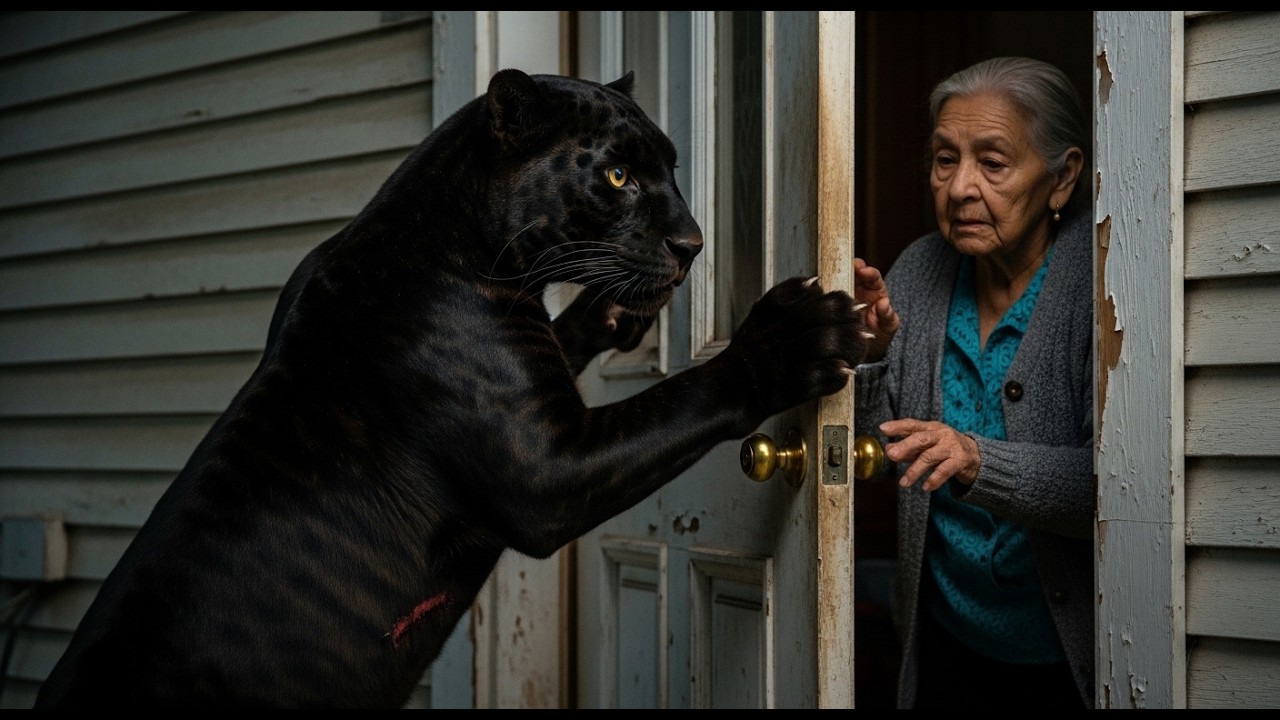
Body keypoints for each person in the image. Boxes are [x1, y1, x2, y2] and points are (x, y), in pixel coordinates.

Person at [852, 56, 1093, 709]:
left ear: (1063, 178)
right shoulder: (917, 272)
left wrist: (977, 460)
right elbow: (877, 463)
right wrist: (872, 359)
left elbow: (1114, 488)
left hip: (1064, 655)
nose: (959, 188)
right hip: (945, 640)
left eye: (992, 163)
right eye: (943, 160)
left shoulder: (1098, 290)